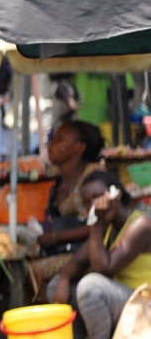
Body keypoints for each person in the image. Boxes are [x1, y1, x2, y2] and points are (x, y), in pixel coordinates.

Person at [50, 171, 151, 339]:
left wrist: (95, 223)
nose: (94, 205)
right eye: (88, 202)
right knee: (56, 285)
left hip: (144, 303)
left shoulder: (140, 225)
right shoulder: (107, 228)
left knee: (90, 286)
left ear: (117, 195)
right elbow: (77, 262)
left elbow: (105, 268)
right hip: (124, 300)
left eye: (99, 197)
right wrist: (63, 278)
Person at [28, 120, 104, 300]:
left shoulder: (93, 177)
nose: (51, 144)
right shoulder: (59, 181)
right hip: (62, 249)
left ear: (79, 147)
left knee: (33, 272)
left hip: (86, 253)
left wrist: (55, 237)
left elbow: (98, 223)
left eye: (60, 139)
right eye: (52, 138)